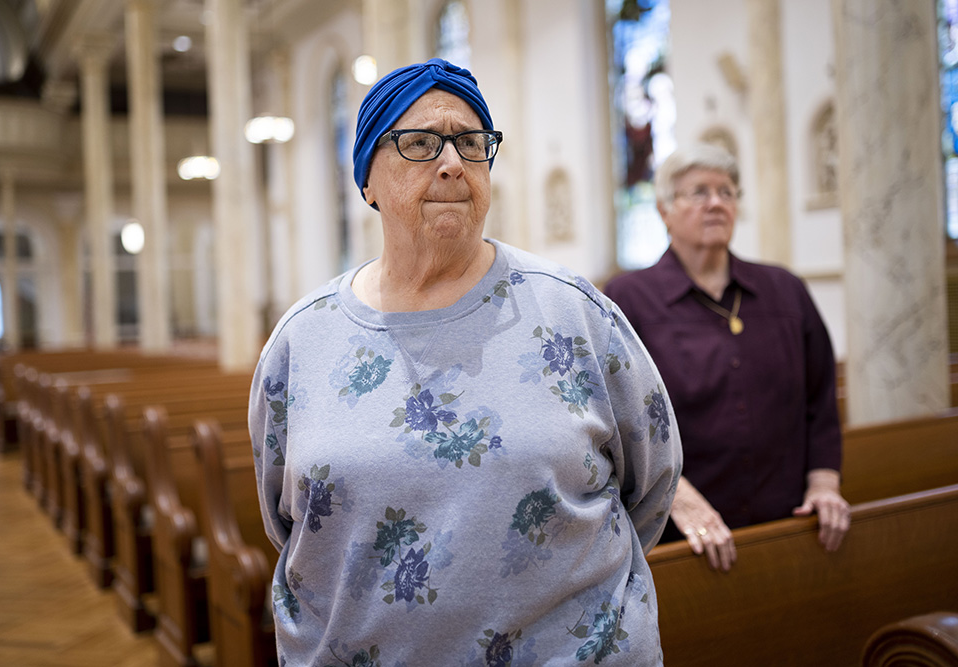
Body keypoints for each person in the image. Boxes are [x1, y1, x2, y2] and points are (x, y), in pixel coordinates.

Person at [249, 58, 682, 665]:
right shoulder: (304, 340)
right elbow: (287, 520)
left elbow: (652, 483)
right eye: (420, 143)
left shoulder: (574, 312)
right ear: (367, 180)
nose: (452, 161)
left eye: (470, 142)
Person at [603, 143, 851, 573]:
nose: (715, 203)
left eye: (727, 192)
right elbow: (618, 422)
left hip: (791, 520)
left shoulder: (785, 290)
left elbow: (820, 398)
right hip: (684, 538)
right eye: (699, 192)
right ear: (665, 210)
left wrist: (825, 483)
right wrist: (676, 496)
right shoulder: (628, 299)